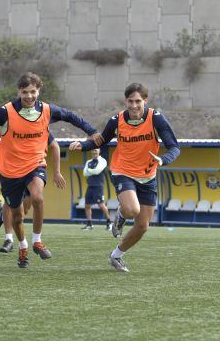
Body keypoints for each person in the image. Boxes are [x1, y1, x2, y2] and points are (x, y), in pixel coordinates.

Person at [0, 72, 102, 268]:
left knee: (38, 197)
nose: (29, 96)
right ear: (18, 92)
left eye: (33, 91)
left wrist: (92, 131)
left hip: (35, 165)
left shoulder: (47, 111)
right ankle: (22, 246)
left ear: (38, 91)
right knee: (18, 216)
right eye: (25, 92)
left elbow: (71, 117)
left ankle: (37, 241)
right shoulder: (5, 112)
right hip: (10, 171)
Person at [69, 82, 180, 273]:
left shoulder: (156, 119)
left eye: (138, 101)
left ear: (145, 100)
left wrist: (163, 159)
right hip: (123, 170)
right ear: (125, 101)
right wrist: (83, 145)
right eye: (131, 101)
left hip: (148, 175)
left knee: (143, 226)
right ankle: (121, 215)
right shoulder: (117, 120)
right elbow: (102, 140)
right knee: (131, 210)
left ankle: (116, 255)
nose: (134, 106)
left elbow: (174, 147)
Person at [0, 125, 60, 253]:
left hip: (32, 171)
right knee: (12, 207)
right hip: (12, 171)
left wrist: (57, 172)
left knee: (23, 211)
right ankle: (9, 239)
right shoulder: (8, 123)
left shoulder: (39, 125)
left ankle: (4, 216)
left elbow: (55, 146)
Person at [81, 148, 111, 231]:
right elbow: (84, 173)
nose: (94, 151)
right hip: (90, 185)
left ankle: (109, 223)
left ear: (99, 151)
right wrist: (92, 171)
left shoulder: (102, 161)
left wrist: (89, 170)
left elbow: (97, 171)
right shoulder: (88, 162)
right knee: (87, 205)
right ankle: (89, 225)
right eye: (93, 150)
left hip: (98, 186)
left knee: (101, 205)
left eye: (96, 150)